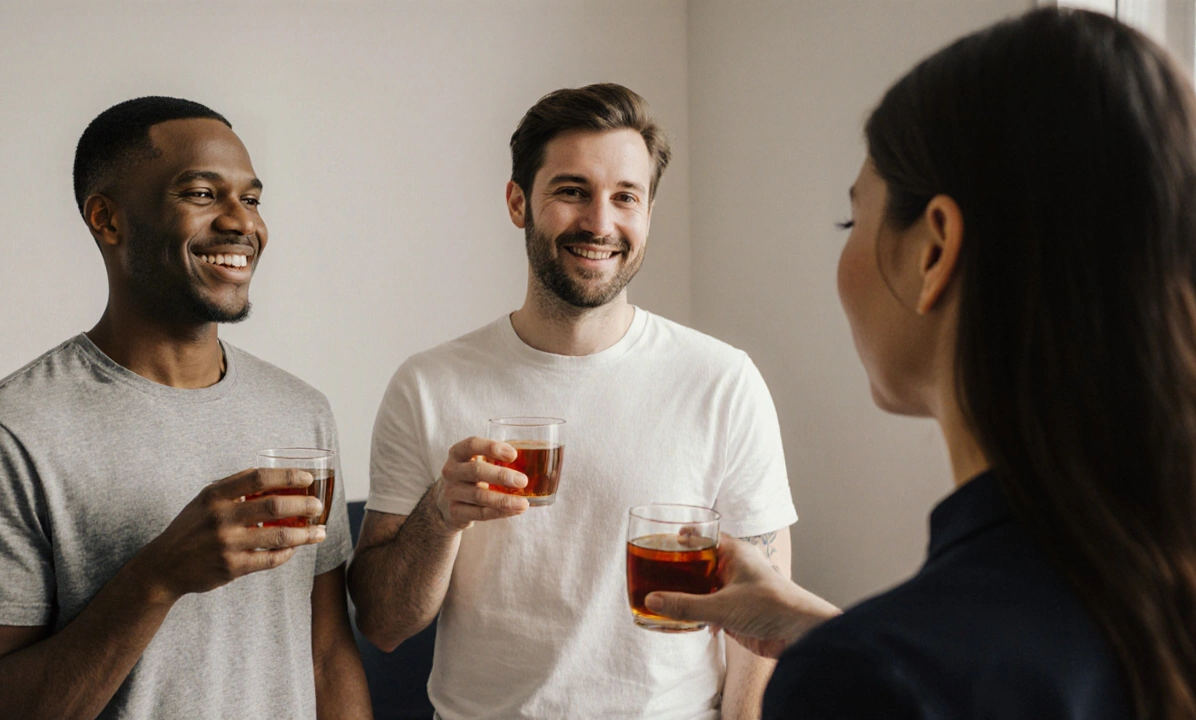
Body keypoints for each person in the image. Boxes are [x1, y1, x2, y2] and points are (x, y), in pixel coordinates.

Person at [646, 7, 1196, 719]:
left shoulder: (873, 677)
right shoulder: (1146, 590)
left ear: (933, 250)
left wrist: (848, 664)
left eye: (854, 219)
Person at [346, 83, 797, 719]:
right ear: (517, 201)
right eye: (571, 190)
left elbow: (761, 628)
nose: (600, 223)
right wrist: (441, 516)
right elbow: (384, 625)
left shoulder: (723, 381)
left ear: (647, 213)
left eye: (625, 197)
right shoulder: (427, 384)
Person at [0, 96, 373, 719]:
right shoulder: (2, 437)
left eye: (253, 198)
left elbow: (325, 656)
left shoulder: (300, 412)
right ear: (107, 219)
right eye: (203, 194)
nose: (243, 223)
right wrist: (156, 578)